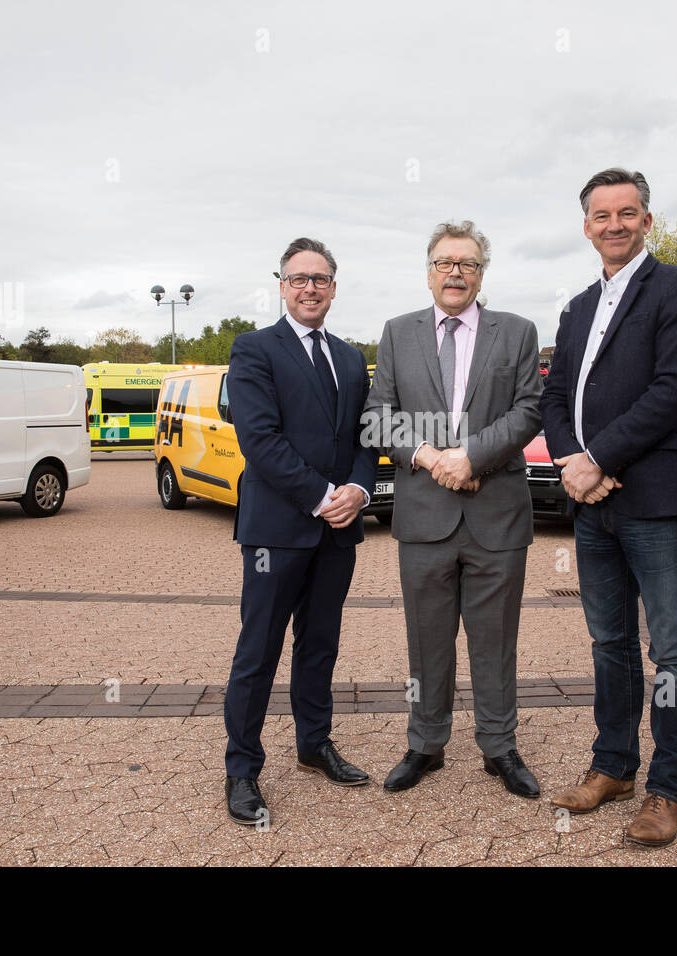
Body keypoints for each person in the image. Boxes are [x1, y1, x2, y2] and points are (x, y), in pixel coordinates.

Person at [541, 168, 677, 847]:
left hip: (656, 502)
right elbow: (555, 398)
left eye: (627, 212)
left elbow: (673, 389)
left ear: (647, 220)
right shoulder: (578, 307)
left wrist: (599, 460)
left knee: (673, 651)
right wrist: (574, 466)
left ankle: (668, 788)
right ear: (586, 226)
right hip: (593, 506)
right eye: (601, 214)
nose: (613, 224)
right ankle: (612, 765)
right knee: (609, 643)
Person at [364, 220, 543, 798]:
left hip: (497, 516)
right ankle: (425, 744)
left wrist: (469, 457)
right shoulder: (397, 333)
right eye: (444, 262)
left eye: (467, 263)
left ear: (482, 272)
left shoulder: (516, 332)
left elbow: (528, 411)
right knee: (427, 639)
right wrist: (425, 454)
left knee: (495, 640)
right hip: (423, 516)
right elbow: (378, 414)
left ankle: (499, 747)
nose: (455, 272)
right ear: (429, 270)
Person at [222, 237, 377, 825]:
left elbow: (362, 439)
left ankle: (314, 744)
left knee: (320, 645)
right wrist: (321, 497)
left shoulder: (350, 356)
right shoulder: (254, 349)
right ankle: (242, 768)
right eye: (297, 278)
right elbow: (259, 440)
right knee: (258, 650)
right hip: (276, 532)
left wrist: (358, 493)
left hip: (337, 533)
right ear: (281, 285)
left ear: (334, 287)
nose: (309, 287)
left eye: (320, 278)